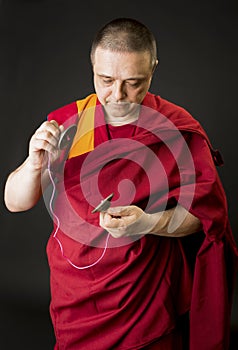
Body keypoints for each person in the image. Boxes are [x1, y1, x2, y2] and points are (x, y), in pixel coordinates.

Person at [4, 18, 238, 350]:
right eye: (106, 80)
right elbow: (15, 201)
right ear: (92, 67)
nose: (118, 95)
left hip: (144, 301)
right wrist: (33, 162)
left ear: (153, 69)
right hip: (75, 294)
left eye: (133, 82)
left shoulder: (175, 130)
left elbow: (208, 215)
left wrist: (148, 223)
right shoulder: (70, 123)